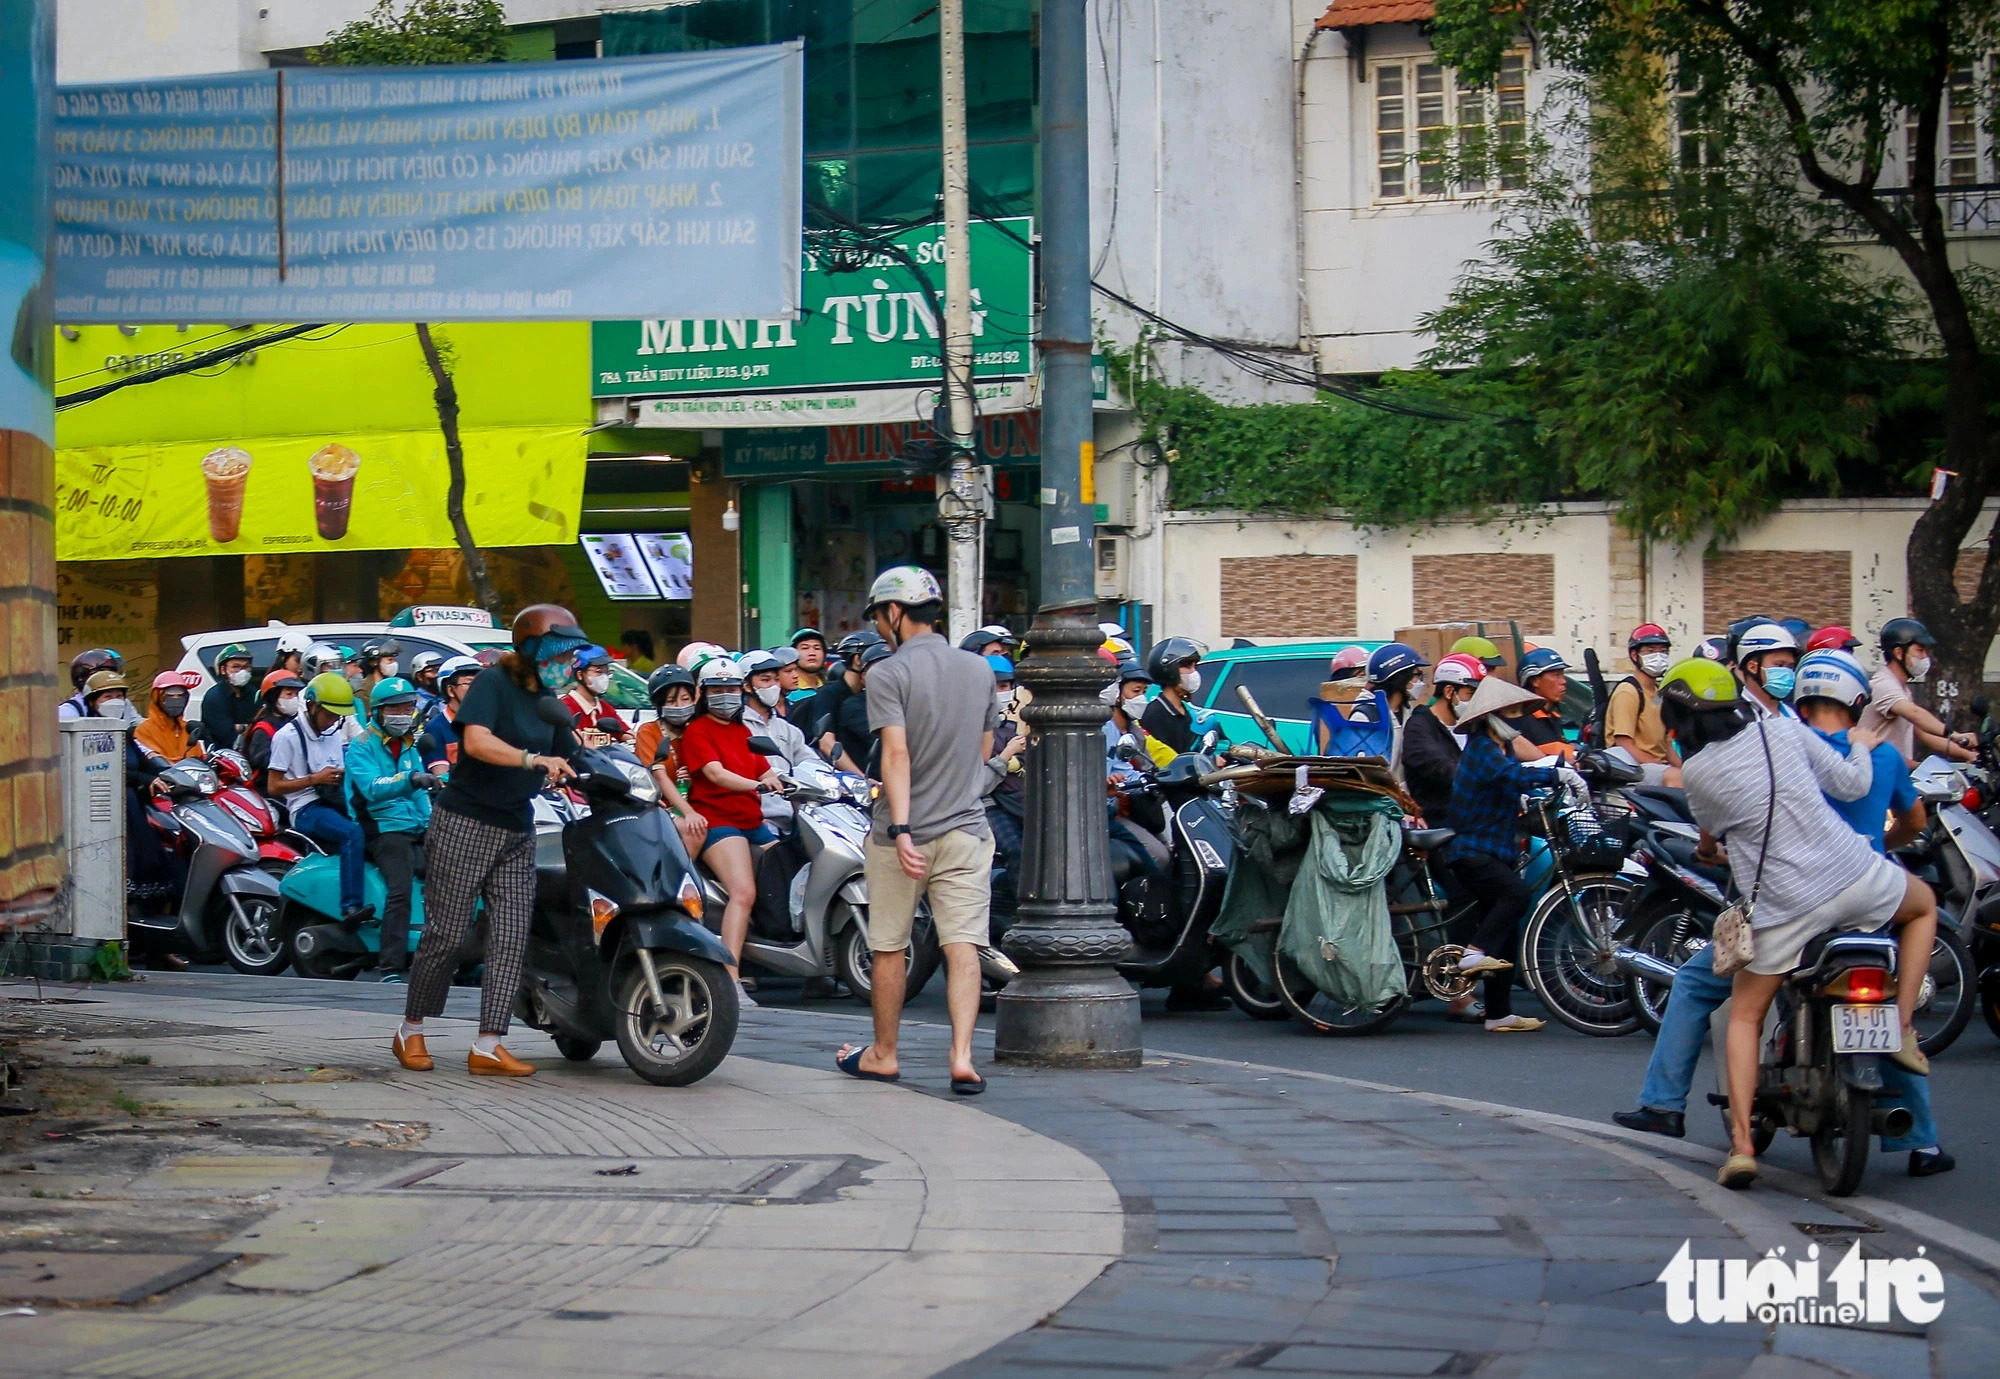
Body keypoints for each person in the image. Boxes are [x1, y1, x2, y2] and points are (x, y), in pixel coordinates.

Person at [1612, 650, 1952, 1176]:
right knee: (1923, 906)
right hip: (1858, 881)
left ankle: (1742, 1146)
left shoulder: (1698, 771)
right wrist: (1861, 748)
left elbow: (1711, 839)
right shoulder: (1785, 733)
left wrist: (1712, 850)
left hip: (1784, 909)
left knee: (1745, 1016)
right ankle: (1903, 1026)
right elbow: (1854, 787)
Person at [394, 605, 583, 1078]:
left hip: (518, 828)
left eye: (571, 655)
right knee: (448, 934)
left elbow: (573, 750)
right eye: (559, 653)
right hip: (466, 822)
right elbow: (476, 742)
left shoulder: (550, 700)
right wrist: (532, 759)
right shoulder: (495, 683)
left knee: (511, 935)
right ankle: (410, 1029)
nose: (568, 663)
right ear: (532, 649)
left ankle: (488, 1043)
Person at [836, 567, 996, 1093]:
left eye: (881, 616)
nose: (882, 627)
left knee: (887, 945)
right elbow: (984, 750)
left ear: (895, 613)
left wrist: (903, 828)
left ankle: (884, 1054)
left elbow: (896, 754)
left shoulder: (888, 673)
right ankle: (962, 1057)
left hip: (900, 835)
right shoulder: (980, 670)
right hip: (967, 829)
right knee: (963, 944)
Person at [1445, 674, 1579, 1033]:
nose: (1517, 718)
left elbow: (1512, 780)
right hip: (1473, 851)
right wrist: (1557, 776)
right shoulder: (1482, 749)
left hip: (1497, 849)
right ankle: (1472, 952)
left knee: (1505, 935)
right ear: (1491, 716)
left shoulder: (1499, 747)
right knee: (1516, 896)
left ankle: (1499, 1014)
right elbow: (1512, 776)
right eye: (1511, 712)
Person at [680, 656, 781, 998]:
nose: (726, 695)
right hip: (719, 823)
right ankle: (730, 980)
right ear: (704, 694)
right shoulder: (697, 731)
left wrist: (777, 780)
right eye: (718, 689)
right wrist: (756, 784)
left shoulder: (743, 731)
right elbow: (714, 773)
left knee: (793, 873)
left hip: (754, 821)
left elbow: (764, 768)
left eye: (732, 689)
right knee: (744, 893)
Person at [266, 673, 373, 929]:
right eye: (329, 714)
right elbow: (273, 786)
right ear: (312, 706)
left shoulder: (332, 732)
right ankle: (350, 907)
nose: (333, 721)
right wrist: (315, 779)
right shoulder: (287, 737)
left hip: (334, 800)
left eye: (338, 717)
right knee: (353, 834)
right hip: (305, 808)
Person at [347, 678, 436, 980]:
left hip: (414, 824)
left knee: (453, 872)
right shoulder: (361, 747)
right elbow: (372, 788)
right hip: (382, 827)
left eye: (408, 706)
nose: (403, 712)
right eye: (396, 707)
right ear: (379, 711)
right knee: (399, 889)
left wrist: (432, 824)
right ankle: (390, 966)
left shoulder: (410, 743)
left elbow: (421, 793)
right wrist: (409, 779)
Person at [1860, 618, 1978, 769]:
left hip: (1893, 774)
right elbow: (1915, 713)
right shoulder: (1883, 684)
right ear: (1899, 653)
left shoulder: (1902, 689)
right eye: (1920, 650)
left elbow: (1923, 734)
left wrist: (1966, 754)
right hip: (1877, 776)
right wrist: (1955, 735)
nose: (1925, 657)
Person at [1402, 653, 1484, 826]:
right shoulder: (1420, 727)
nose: (1476, 702)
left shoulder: (1474, 725)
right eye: (1470, 694)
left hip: (1475, 819)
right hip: (1439, 825)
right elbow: (1441, 768)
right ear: (1449, 691)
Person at [635, 665, 710, 854]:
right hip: (658, 806)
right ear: (658, 705)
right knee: (693, 831)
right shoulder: (649, 732)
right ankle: (682, 881)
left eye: (685, 699)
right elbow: (659, 775)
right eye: (671, 701)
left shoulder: (697, 731)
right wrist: (689, 812)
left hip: (697, 801)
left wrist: (693, 779)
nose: (680, 706)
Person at [741, 649, 812, 828]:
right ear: (747, 686)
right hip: (760, 818)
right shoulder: (738, 727)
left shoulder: (788, 729)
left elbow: (809, 761)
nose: (773, 686)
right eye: (765, 680)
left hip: (792, 816)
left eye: (776, 680)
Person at [1604, 625, 1682, 786]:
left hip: (1659, 767)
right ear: (1634, 655)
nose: (1658, 656)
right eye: (1650, 651)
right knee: (1678, 779)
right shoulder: (1628, 692)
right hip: (1633, 768)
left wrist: (1686, 769)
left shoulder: (1659, 694)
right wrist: (1659, 766)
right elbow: (1624, 743)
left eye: (1663, 651)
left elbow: (1667, 746)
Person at [1345, 642, 1428, 775]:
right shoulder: (1366, 717)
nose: (1420, 681)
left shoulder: (1407, 709)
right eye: (1416, 675)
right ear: (1399, 677)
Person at [830, 640, 892, 773]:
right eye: (879, 670)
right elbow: (887, 739)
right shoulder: (854, 706)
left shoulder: (902, 703)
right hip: (868, 784)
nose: (886, 676)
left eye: (891, 670)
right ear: (863, 676)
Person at [1139, 637, 1207, 755]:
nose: (1193, 672)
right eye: (1187, 665)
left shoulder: (1187, 712)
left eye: (1195, 666)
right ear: (1169, 670)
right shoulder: (1155, 714)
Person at [417, 655, 481, 773]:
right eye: (469, 683)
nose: (477, 689)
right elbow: (441, 776)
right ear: (451, 690)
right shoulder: (436, 728)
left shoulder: (487, 722)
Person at [562, 645, 632, 745]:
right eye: (598, 671)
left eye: (607, 672)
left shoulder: (606, 709)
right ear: (580, 675)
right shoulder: (566, 707)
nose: (604, 676)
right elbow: (577, 742)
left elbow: (627, 734)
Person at [241, 671, 305, 777]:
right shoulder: (263, 728)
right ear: (273, 697)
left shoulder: (298, 721)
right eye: (289, 694)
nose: (294, 698)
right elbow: (261, 761)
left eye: (296, 694)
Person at [1733, 621, 1798, 719]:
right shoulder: (1736, 717)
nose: (1787, 673)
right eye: (1779, 665)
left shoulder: (1792, 715)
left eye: (1790, 667)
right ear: (1752, 667)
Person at [199, 643, 258, 750]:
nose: (242, 671)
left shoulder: (254, 694)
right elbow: (227, 737)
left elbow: (260, 730)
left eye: (246, 667)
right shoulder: (214, 697)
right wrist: (248, 727)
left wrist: (240, 728)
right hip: (222, 758)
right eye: (236, 667)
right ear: (223, 669)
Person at [60, 650, 125, 721]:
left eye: (111, 673)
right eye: (107, 696)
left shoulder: (122, 704)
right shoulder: (68, 712)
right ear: (81, 678)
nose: (107, 677)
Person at [355, 638, 402, 713]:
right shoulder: (364, 693)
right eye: (390, 660)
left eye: (394, 660)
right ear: (374, 662)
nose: (394, 664)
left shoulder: (395, 685)